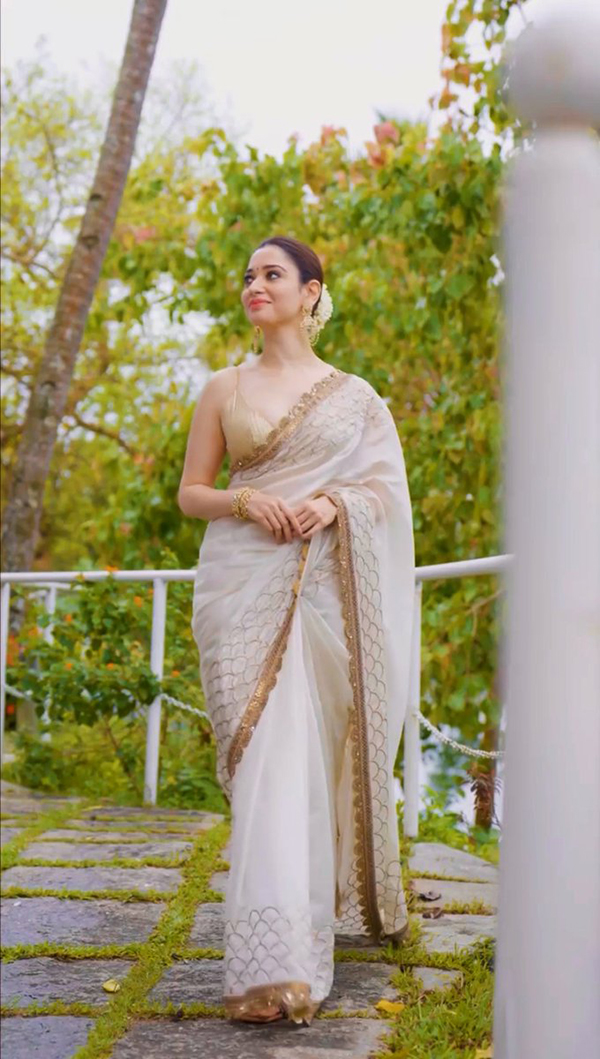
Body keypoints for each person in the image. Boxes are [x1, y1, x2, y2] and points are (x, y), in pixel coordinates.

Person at [178, 235, 415, 1025]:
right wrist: (245, 500)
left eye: (272, 274)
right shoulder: (224, 387)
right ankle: (275, 949)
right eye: (249, 275)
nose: (256, 284)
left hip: (320, 592)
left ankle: (280, 968)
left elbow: (384, 492)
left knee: (297, 763)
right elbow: (192, 493)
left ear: (311, 291)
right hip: (237, 586)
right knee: (261, 766)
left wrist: (331, 503)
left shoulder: (355, 398)